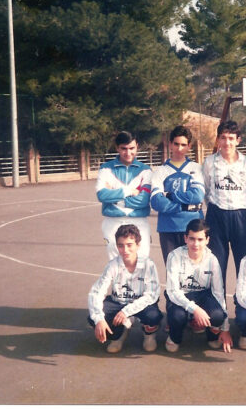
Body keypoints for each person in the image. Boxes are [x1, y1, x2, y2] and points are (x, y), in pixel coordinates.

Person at [88, 224, 163, 353]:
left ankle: (149, 336)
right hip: (119, 302)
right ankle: (118, 335)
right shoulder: (113, 265)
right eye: (121, 245)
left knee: (153, 316)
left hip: (141, 305)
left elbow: (151, 295)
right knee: (93, 317)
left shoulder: (148, 265)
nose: (125, 250)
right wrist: (99, 319)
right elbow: (96, 292)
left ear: (138, 245)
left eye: (129, 245)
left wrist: (126, 312)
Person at [164, 219, 233, 353]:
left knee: (217, 315)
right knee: (178, 316)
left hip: (203, 295)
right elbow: (173, 291)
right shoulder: (174, 256)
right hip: (181, 295)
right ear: (185, 238)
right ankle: (174, 338)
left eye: (200, 239)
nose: (196, 244)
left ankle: (212, 335)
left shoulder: (212, 260)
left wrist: (225, 328)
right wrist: (195, 309)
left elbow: (218, 293)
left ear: (207, 240)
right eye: (192, 239)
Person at [202, 120, 246, 291]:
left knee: (244, 262)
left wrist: (244, 210)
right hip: (216, 215)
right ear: (218, 140)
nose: (227, 142)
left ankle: (244, 307)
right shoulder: (210, 162)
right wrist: (214, 207)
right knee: (217, 263)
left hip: (241, 215)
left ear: (238, 140)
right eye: (223, 138)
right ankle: (219, 308)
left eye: (231, 138)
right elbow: (206, 189)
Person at [150, 125, 205, 265]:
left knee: (194, 271)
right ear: (170, 144)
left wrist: (169, 194)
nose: (179, 149)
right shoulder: (160, 171)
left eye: (183, 145)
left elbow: (197, 196)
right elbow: (157, 202)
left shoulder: (196, 168)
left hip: (193, 227)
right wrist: (185, 207)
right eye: (176, 144)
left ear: (189, 146)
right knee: (173, 271)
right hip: (168, 228)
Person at [96, 131, 152, 260]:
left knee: (141, 262)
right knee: (116, 265)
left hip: (139, 221)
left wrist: (115, 199)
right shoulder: (106, 169)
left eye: (132, 148)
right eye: (123, 149)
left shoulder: (146, 170)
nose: (128, 153)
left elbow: (143, 201)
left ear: (137, 146)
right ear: (117, 148)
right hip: (113, 222)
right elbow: (102, 195)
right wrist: (129, 191)